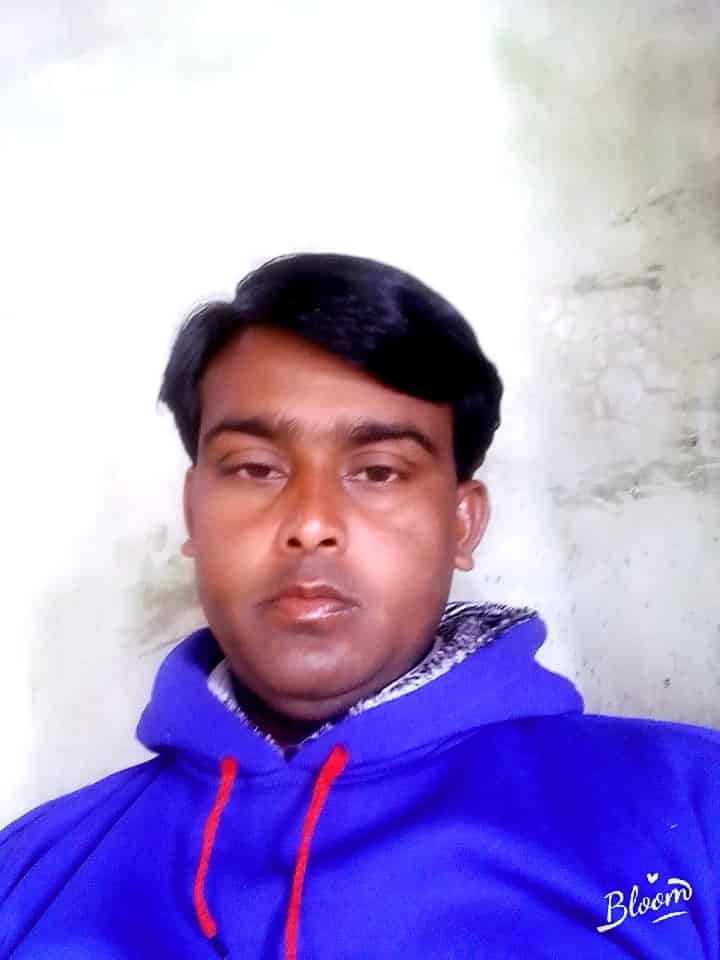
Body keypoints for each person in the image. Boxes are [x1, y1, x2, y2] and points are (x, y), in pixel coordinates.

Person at [1, 253, 718, 960]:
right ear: (194, 512)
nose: (311, 522)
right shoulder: (26, 873)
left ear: (462, 523)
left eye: (378, 471)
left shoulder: (687, 810)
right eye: (255, 468)